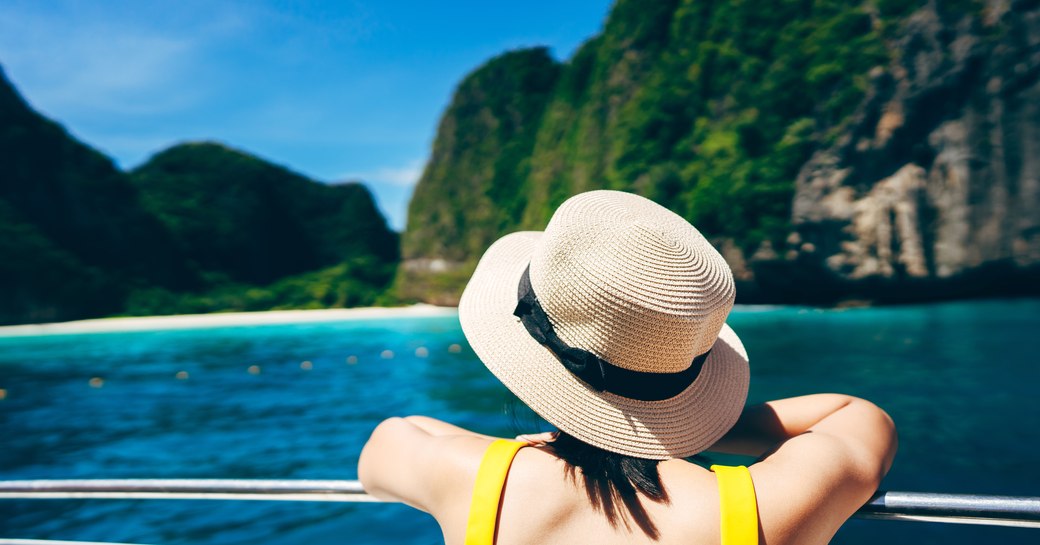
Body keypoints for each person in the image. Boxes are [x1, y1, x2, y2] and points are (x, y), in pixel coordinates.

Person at [359, 190, 897, 545]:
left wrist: (535, 442)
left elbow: (388, 442)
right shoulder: (762, 510)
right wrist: (693, 429)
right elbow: (858, 417)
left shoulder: (478, 479)